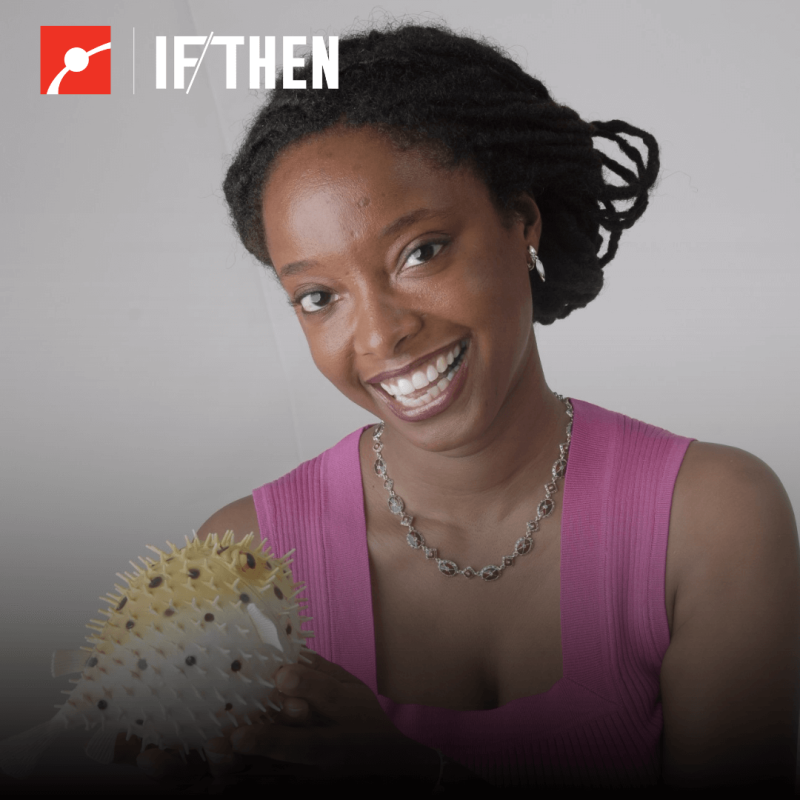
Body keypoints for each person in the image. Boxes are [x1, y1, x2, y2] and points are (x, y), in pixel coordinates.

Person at [124, 22, 800, 793]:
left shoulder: (710, 519)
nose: (381, 334)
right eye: (319, 297)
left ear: (522, 223)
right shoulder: (241, 561)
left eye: (422, 251)